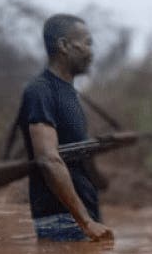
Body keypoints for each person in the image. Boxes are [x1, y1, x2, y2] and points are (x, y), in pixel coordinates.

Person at [17, 14, 112, 242]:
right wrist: (86, 222)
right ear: (64, 46)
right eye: (87, 43)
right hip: (63, 221)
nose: (91, 52)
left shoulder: (69, 93)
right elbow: (48, 159)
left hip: (79, 220)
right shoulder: (41, 91)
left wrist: (97, 179)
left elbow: (73, 155)